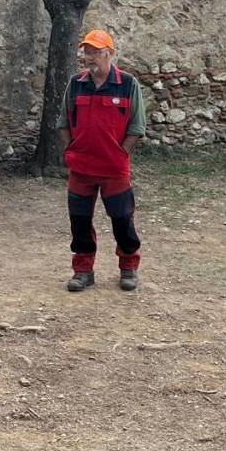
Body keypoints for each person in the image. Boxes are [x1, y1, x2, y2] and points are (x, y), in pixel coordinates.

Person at [57, 29, 145, 293]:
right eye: (87, 52)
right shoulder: (75, 83)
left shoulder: (128, 84)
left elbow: (137, 126)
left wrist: (121, 154)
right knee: (80, 222)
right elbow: (63, 122)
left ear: (110, 54)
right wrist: (71, 150)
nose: (90, 58)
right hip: (81, 168)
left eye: (96, 52)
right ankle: (83, 271)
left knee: (122, 219)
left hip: (114, 169)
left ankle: (128, 267)